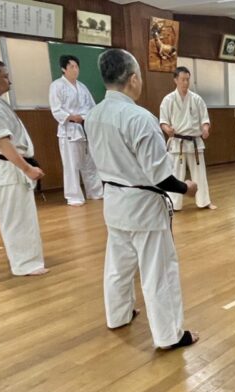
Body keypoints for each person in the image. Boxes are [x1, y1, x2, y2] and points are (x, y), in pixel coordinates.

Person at [86, 49, 198, 350]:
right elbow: (161, 177)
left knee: (118, 264)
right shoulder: (139, 118)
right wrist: (186, 187)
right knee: (158, 271)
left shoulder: (93, 115)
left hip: (114, 200)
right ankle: (170, 335)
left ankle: (118, 315)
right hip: (143, 205)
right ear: (133, 78)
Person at [0, 58, 48, 276]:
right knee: (16, 219)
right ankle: (24, 264)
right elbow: (1, 142)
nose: (9, 81)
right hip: (7, 169)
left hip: (9, 169)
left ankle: (26, 260)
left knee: (22, 217)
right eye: (5, 77)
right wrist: (27, 168)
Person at [48, 54, 104, 206]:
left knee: (90, 162)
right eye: (71, 66)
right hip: (69, 129)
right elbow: (56, 109)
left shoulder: (82, 87)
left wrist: (87, 118)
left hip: (84, 127)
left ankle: (95, 191)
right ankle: (73, 196)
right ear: (63, 69)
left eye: (77, 66)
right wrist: (72, 117)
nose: (75, 69)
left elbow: (92, 106)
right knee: (71, 164)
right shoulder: (57, 86)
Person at [159, 66, 216, 211]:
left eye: (187, 79)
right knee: (175, 174)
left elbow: (205, 119)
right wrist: (167, 129)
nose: (185, 82)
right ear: (175, 80)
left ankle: (204, 201)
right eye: (182, 79)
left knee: (200, 174)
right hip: (177, 142)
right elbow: (163, 121)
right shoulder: (168, 99)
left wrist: (205, 129)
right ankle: (173, 203)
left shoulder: (197, 99)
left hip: (195, 142)